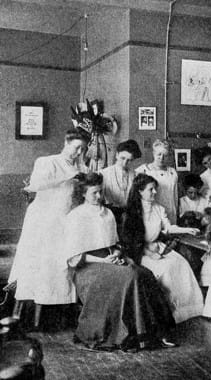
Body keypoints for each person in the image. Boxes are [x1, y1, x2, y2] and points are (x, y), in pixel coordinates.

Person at [65, 172, 176, 351]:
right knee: (131, 276)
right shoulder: (75, 216)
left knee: (144, 273)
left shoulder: (107, 213)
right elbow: (74, 256)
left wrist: (116, 253)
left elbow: (116, 243)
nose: (99, 196)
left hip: (113, 259)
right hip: (88, 267)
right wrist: (104, 260)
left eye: (101, 192)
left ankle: (157, 332)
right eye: (94, 193)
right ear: (83, 193)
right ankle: (133, 334)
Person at [8, 129, 89, 305]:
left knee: (61, 263)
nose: (79, 153)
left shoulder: (81, 167)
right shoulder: (47, 162)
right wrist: (68, 176)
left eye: (83, 149)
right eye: (76, 148)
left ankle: (59, 306)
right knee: (42, 262)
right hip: (44, 218)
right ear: (66, 143)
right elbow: (36, 185)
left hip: (66, 219)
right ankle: (36, 305)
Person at [122, 174, 204, 323]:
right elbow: (129, 241)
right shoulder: (131, 212)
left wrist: (186, 230)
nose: (154, 193)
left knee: (181, 263)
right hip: (139, 252)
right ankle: (170, 314)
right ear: (140, 191)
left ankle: (187, 310)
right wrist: (148, 252)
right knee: (166, 269)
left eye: (155, 189)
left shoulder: (159, 208)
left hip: (157, 246)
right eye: (150, 189)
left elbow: (168, 228)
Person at [135, 139, 178, 224]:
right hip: (152, 213)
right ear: (154, 153)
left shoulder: (172, 172)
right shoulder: (143, 170)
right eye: (159, 154)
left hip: (171, 213)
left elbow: (175, 196)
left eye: (165, 155)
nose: (161, 158)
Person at [100, 139, 141, 225]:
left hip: (129, 216)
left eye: (129, 160)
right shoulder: (104, 174)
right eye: (122, 158)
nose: (125, 163)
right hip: (110, 215)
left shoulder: (136, 175)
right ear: (117, 155)